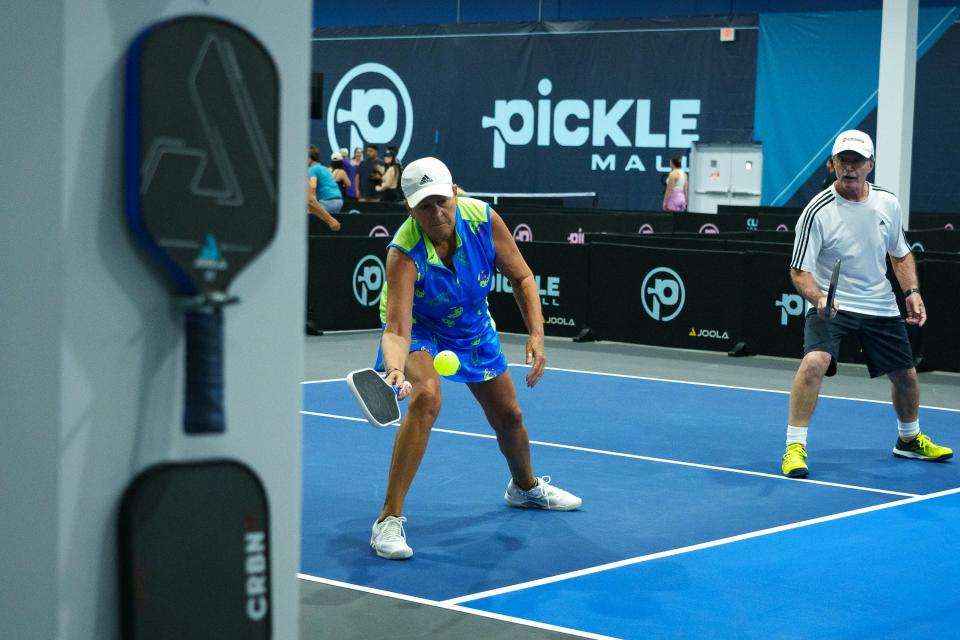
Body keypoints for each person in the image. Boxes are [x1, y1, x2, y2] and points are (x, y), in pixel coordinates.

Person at [369, 157, 581, 560]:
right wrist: (395, 369)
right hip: (420, 324)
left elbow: (522, 276)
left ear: (454, 192)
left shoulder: (483, 219)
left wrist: (536, 334)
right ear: (410, 209)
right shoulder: (404, 252)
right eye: (423, 206)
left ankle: (524, 487)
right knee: (427, 397)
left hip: (470, 322)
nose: (436, 213)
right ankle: (387, 520)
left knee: (510, 416)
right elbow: (397, 329)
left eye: (440, 201)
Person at [781, 130, 952, 478]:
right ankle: (795, 447)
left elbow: (900, 255)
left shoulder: (888, 203)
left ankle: (908, 440)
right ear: (831, 165)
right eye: (843, 160)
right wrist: (818, 297)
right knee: (814, 362)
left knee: (906, 374)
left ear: (870, 166)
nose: (850, 167)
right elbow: (800, 272)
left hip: (879, 302)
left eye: (857, 161)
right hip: (833, 303)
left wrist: (911, 293)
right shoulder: (816, 212)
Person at [307, 145, 342, 228]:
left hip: (328, 202)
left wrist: (312, 200)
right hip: (339, 201)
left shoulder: (312, 169)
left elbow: (312, 186)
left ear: (309, 158)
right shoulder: (324, 168)